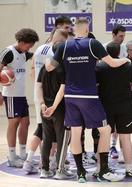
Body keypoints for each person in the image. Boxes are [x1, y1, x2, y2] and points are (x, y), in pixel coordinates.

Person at [45, 18, 128, 183]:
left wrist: (47, 58)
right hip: (89, 96)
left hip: (70, 96)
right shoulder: (92, 43)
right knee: (105, 130)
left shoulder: (64, 46)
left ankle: (81, 173)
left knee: (75, 133)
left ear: (74, 30)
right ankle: (103, 170)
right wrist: (126, 60)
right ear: (87, 29)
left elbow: (49, 67)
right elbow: (111, 63)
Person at [96, 41, 132, 177]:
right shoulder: (128, 66)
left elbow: (95, 86)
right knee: (126, 138)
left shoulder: (99, 67)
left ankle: (99, 169)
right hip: (124, 107)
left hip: (105, 107)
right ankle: (129, 169)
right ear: (120, 53)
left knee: (104, 138)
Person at [36, 30, 74, 179]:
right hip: (58, 109)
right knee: (61, 139)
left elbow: (38, 86)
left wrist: (42, 104)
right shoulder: (63, 67)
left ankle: (44, 170)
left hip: (45, 109)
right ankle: (60, 170)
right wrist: (54, 107)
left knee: (46, 139)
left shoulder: (44, 67)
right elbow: (62, 90)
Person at [0, 28, 39, 168]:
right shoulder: (9, 52)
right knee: (13, 123)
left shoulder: (24, 53)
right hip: (10, 95)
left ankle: (22, 154)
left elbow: (36, 56)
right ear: (22, 42)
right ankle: (11, 156)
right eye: (29, 44)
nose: (30, 48)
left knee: (26, 122)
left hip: (21, 95)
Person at [103, 24, 128, 159]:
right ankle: (105, 149)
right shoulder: (103, 47)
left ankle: (115, 146)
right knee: (106, 125)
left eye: (124, 36)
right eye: (120, 36)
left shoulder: (124, 48)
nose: (122, 39)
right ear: (113, 35)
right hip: (107, 91)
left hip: (120, 91)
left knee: (120, 124)